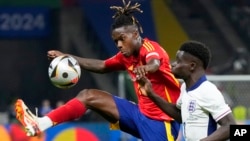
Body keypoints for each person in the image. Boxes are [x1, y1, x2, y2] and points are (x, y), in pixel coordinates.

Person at [15, 0, 181, 141]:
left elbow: (154, 63)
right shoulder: (125, 56)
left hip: (163, 122)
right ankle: (40, 123)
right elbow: (102, 66)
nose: (119, 45)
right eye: (116, 41)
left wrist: (146, 68)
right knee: (88, 96)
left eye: (122, 39)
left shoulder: (151, 48)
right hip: (140, 114)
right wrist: (67, 57)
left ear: (135, 34)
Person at [137, 40, 236, 141]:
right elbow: (181, 115)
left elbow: (229, 125)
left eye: (178, 61)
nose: (173, 64)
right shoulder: (185, 87)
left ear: (192, 66)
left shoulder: (207, 91)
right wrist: (151, 94)